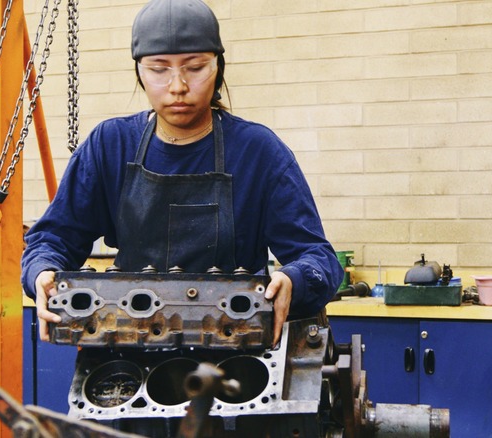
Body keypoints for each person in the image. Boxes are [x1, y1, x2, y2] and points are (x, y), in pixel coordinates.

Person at [21, 0, 343, 346]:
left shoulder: (257, 151)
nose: (177, 86)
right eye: (159, 69)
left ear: (218, 67)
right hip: (129, 355)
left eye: (194, 67)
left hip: (239, 358)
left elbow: (318, 258)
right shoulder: (110, 146)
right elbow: (53, 239)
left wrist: (294, 279)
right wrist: (42, 272)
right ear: (139, 71)